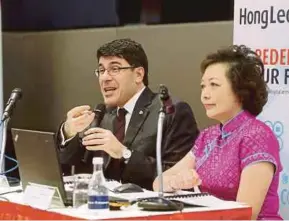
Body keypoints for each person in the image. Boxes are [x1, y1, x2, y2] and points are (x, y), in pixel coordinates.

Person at [153, 45, 282, 220]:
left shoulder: (257, 136)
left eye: (214, 85)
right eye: (203, 86)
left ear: (240, 91)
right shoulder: (208, 136)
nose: (205, 95)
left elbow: (245, 215)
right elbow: (158, 183)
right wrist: (175, 182)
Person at [57, 38, 199, 190]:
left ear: (138, 74)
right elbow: (72, 166)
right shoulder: (103, 113)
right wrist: (68, 132)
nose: (105, 77)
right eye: (101, 70)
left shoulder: (169, 111)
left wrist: (124, 153)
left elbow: (176, 176)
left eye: (115, 69)